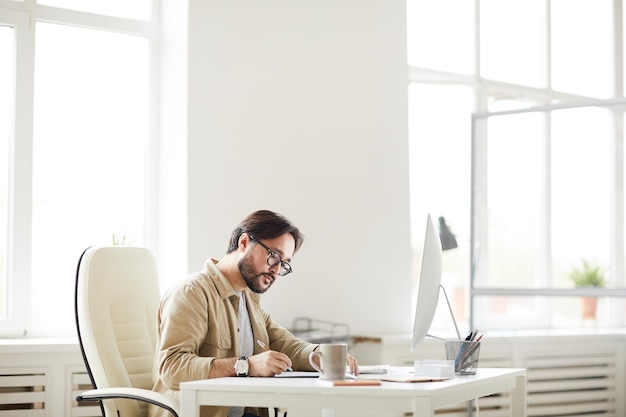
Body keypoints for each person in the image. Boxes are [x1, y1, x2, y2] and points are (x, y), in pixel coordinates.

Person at [150, 210, 359, 417]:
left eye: (284, 264)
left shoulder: (248, 298)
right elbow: (173, 367)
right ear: (244, 243)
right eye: (274, 257)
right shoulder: (192, 293)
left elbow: (284, 343)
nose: (276, 271)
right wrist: (246, 365)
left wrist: (320, 354)